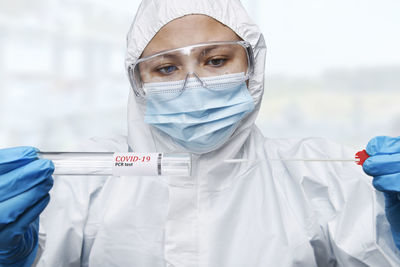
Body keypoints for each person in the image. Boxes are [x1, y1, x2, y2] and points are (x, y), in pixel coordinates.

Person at [1, 0, 400, 266]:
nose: (194, 84)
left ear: (253, 67)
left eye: (216, 60)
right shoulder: (87, 178)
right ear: (137, 81)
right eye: (167, 68)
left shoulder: (320, 175)